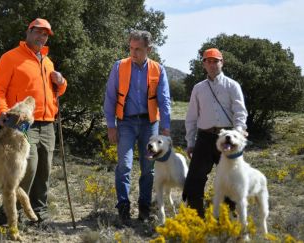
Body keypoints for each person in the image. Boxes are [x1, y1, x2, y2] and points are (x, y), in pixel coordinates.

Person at [0, 18, 67, 222]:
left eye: (45, 34)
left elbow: (55, 91)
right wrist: (3, 111)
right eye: (39, 32)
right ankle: (10, 214)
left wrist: (62, 82)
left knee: (44, 170)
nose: (42, 37)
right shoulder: (11, 57)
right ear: (29, 31)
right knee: (27, 169)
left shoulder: (47, 61)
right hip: (22, 123)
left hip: (48, 122)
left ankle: (40, 214)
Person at [103, 30, 171, 225]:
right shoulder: (119, 67)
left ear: (148, 49)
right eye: (131, 48)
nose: (133, 53)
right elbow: (110, 97)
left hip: (150, 125)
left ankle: (144, 208)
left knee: (148, 168)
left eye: (138, 49)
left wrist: (165, 128)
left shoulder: (158, 69)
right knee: (124, 165)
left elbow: (164, 100)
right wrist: (111, 125)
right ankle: (123, 208)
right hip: (125, 123)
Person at [182, 48, 248, 217]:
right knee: (195, 178)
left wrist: (238, 135)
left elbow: (240, 112)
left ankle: (226, 217)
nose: (212, 64)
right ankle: (196, 216)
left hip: (227, 138)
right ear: (203, 64)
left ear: (222, 62)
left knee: (230, 178)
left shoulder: (233, 85)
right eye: (208, 61)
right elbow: (191, 117)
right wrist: (190, 142)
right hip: (204, 138)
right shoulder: (198, 88)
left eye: (215, 61)